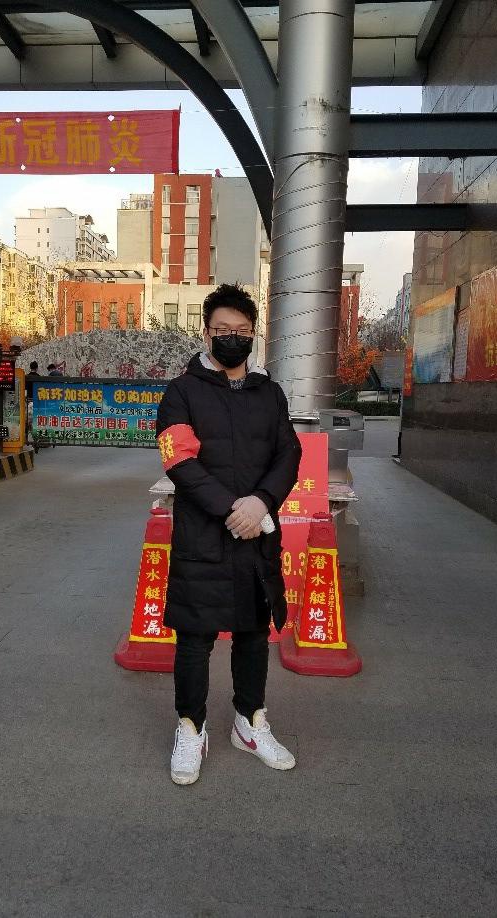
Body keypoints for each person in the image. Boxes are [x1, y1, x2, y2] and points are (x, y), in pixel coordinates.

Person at [156, 283, 302, 786]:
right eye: (222, 330)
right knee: (194, 638)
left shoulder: (270, 393)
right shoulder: (182, 392)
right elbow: (178, 459)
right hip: (202, 536)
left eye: (241, 330)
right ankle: (190, 728)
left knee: (253, 634)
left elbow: (289, 454)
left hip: (257, 533)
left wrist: (261, 502)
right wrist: (231, 508)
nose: (232, 338)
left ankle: (250, 722)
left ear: (254, 334)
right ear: (206, 333)